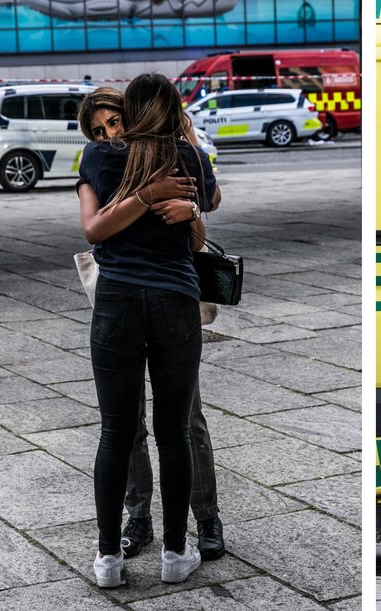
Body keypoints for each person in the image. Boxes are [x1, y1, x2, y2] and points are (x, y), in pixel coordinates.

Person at [76, 87, 228, 565]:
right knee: (133, 427)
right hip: (145, 298)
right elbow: (94, 227)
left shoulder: (172, 153)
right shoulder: (103, 161)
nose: (109, 134)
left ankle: (204, 518)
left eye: (114, 122)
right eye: (98, 130)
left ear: (134, 114)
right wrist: (149, 195)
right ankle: (142, 521)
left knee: (182, 422)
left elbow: (198, 231)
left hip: (152, 297)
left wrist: (191, 210)